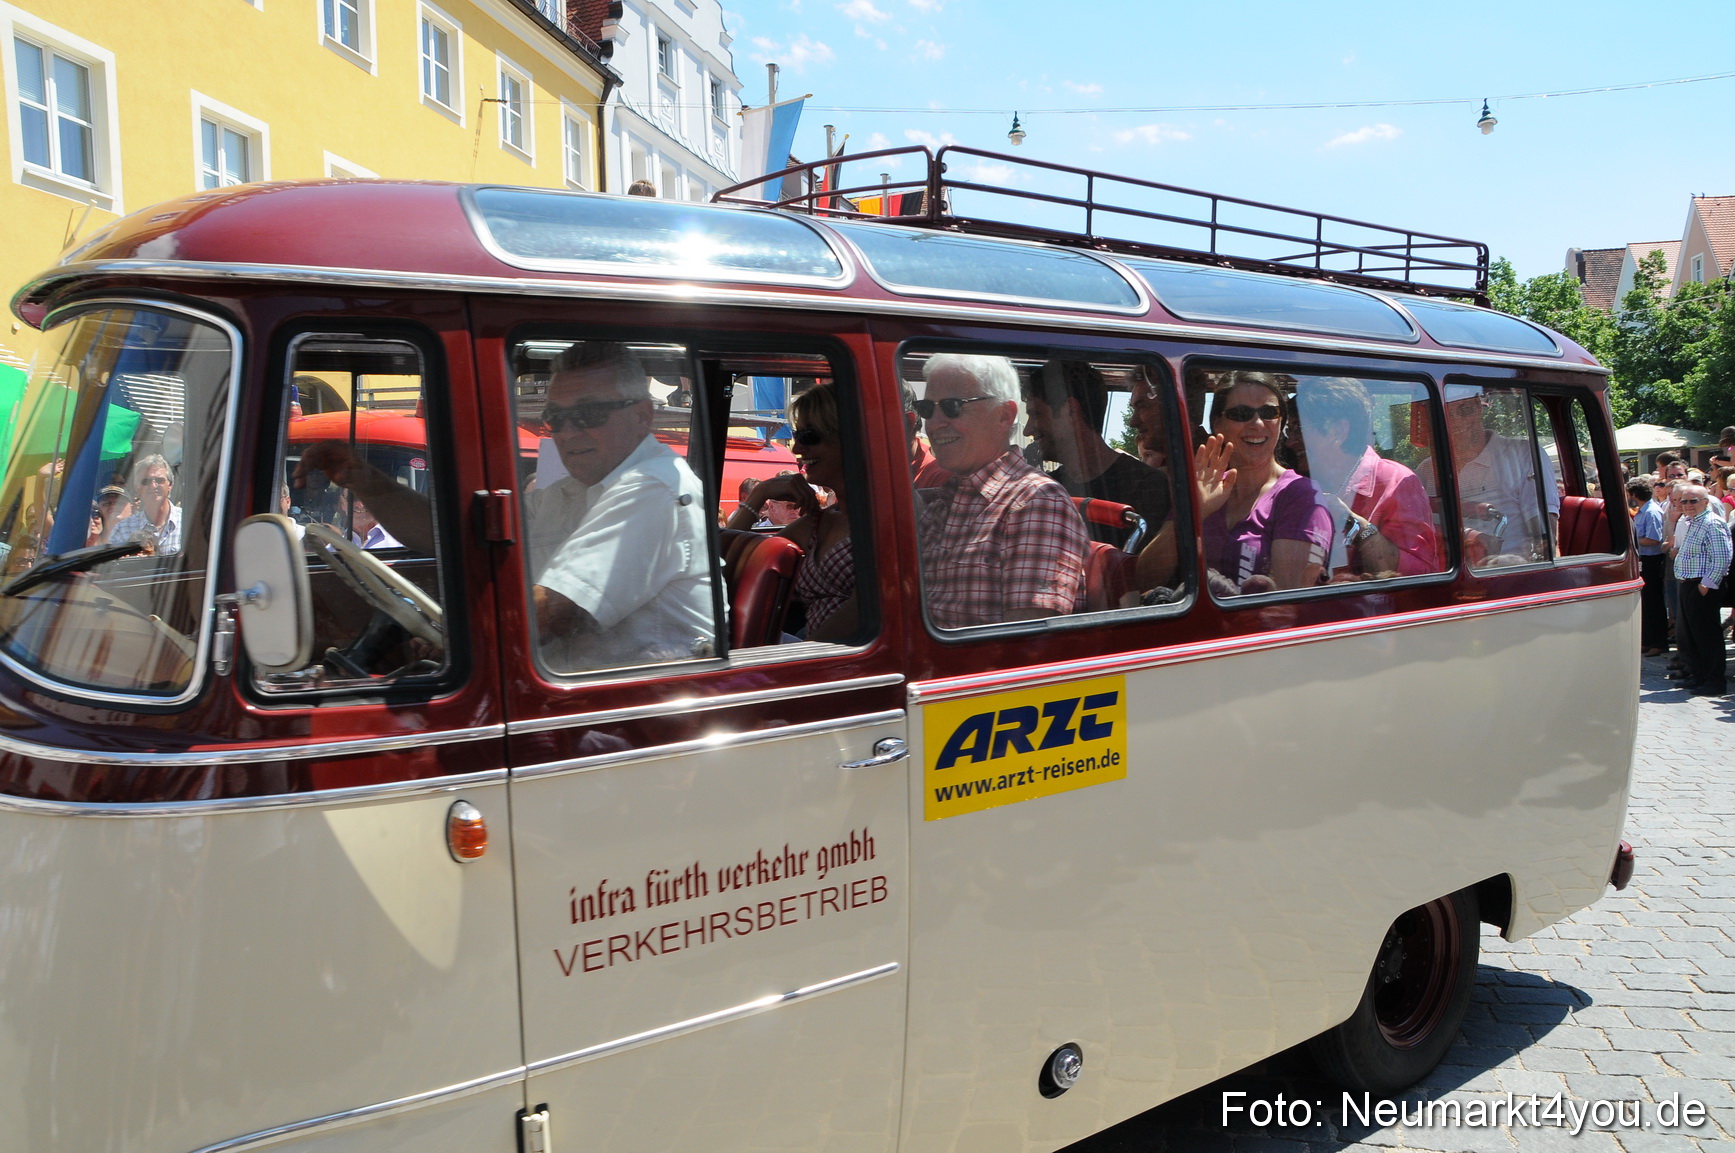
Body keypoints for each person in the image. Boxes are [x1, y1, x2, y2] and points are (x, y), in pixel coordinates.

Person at [301, 342, 712, 671]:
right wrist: (363, 478)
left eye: (588, 415)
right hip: (570, 694)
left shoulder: (653, 487)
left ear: (643, 416)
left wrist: (451, 639)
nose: (568, 432)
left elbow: (551, 613)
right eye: (556, 417)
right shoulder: (572, 492)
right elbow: (453, 536)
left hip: (637, 712)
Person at [914, 353, 1086, 628]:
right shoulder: (939, 504)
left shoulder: (1036, 502)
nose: (933, 424)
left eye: (952, 407)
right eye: (926, 409)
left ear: (1003, 415)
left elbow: (1028, 646)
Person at [726, 383, 858, 641]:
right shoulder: (820, 521)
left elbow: (865, 608)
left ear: (845, 437)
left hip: (840, 664)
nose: (796, 449)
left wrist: (795, 661)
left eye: (808, 436)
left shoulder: (888, 517)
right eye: (797, 435)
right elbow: (732, 561)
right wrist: (760, 494)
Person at [1197, 371, 1332, 593]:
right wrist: (1195, 514)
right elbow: (1144, 578)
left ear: (1281, 422)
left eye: (1269, 412)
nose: (1258, 423)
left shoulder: (1300, 496)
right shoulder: (1203, 486)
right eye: (1241, 413)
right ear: (1217, 423)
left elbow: (1287, 604)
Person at [1293, 376, 1439, 579]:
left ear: (1338, 430)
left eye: (1298, 430)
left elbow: (1423, 577)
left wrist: (1357, 527)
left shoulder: (1397, 483)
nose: (1291, 442)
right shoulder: (1303, 484)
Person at [1022, 358, 1173, 546]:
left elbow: (1147, 572)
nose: (1027, 430)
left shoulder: (1147, 487)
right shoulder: (1046, 489)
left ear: (1070, 411)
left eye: (1036, 414)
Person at [1426, 390, 1560, 564]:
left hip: (1509, 577)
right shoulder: (1426, 471)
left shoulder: (1524, 456)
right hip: (1446, 577)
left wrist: (1505, 563)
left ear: (1477, 407)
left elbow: (1545, 544)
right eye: (1445, 415)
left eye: (1464, 410)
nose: (1456, 422)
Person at [1667, 485, 1731, 696]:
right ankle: (1699, 677)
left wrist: (1706, 585)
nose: (1687, 506)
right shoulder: (1693, 522)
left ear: (1706, 502)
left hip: (1702, 586)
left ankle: (1713, 682)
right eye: (1684, 501)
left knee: (1707, 636)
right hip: (1689, 584)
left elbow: (1722, 558)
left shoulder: (1712, 523)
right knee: (1694, 636)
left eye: (1693, 501)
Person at [109, 455, 182, 556]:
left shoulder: (187, 522)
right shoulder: (122, 529)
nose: (153, 485)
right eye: (146, 481)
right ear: (138, 488)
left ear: (170, 485)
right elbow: (113, 569)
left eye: (159, 480)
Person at [1632, 475, 1669, 657]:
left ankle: (1659, 642)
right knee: (1646, 602)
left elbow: (1654, 539)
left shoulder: (1651, 512)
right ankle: (1647, 640)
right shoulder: (1642, 511)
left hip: (1652, 561)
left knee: (1654, 603)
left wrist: (1632, 541)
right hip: (1643, 561)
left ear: (1634, 494)